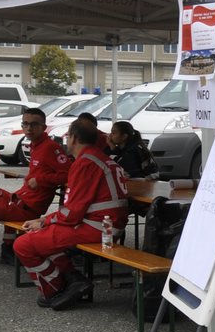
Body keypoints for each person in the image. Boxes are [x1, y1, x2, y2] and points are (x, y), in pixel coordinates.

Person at [14, 117, 129, 310]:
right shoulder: (98, 158)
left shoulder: (85, 162)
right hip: (105, 225)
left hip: (98, 227)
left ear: (73, 138)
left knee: (23, 245)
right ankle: (73, 279)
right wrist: (46, 221)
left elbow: (71, 213)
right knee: (41, 237)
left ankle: (55, 289)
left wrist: (44, 221)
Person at [0, 107, 70, 279]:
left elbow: (68, 173)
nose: (29, 128)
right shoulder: (36, 146)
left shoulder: (50, 147)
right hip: (17, 202)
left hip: (24, 208)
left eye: (34, 124)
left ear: (43, 126)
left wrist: (41, 179)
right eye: (25, 124)